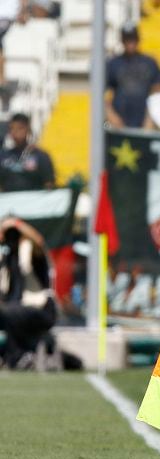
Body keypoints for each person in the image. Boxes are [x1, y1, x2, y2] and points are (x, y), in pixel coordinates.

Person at [0, 216, 56, 369]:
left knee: (8, 312)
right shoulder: (7, 258)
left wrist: (15, 224)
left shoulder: (31, 252)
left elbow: (38, 241)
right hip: (15, 310)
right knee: (8, 312)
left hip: (41, 309)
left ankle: (18, 357)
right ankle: (13, 356)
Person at [105, 23, 160, 129]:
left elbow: (157, 93)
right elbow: (103, 95)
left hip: (145, 124)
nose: (130, 42)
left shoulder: (150, 62)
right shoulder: (113, 63)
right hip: (119, 124)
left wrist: (151, 118)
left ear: (138, 39)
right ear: (122, 40)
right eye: (127, 39)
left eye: (133, 38)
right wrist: (111, 116)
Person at [0, 112, 55, 191]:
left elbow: (49, 185)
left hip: (34, 202)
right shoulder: (3, 156)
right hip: (9, 202)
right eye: (12, 128)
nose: (15, 132)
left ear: (28, 129)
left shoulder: (40, 156)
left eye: (20, 128)